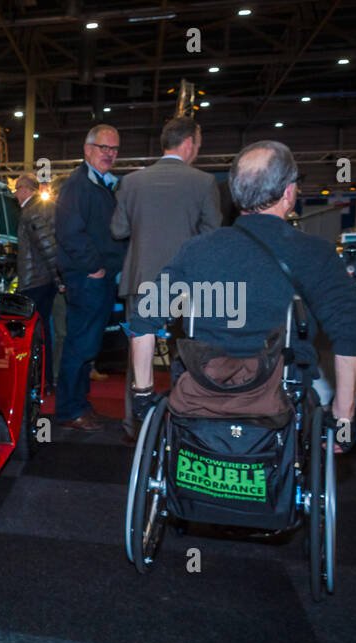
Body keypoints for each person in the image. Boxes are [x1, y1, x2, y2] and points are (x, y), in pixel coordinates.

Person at [129, 141, 356, 446]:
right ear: (288, 193)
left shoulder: (197, 250)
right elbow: (352, 330)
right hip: (278, 396)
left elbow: (144, 320)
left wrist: (143, 395)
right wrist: (342, 422)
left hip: (202, 393)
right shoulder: (314, 253)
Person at [111, 115, 222, 439]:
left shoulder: (131, 182)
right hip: (188, 283)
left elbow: (118, 230)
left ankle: (136, 427)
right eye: (198, 146)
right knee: (187, 353)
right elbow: (213, 233)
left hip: (142, 279)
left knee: (139, 354)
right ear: (188, 144)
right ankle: (182, 422)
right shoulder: (203, 182)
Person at [54, 123, 127, 432]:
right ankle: (69, 410)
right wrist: (94, 267)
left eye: (114, 149)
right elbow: (69, 232)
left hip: (98, 278)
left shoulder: (100, 183)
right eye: (103, 148)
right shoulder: (78, 185)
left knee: (87, 346)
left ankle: (79, 405)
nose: (109, 154)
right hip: (88, 278)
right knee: (80, 345)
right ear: (87, 149)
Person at [14, 173, 62, 359]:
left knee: (34, 333)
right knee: (44, 330)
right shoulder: (46, 208)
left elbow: (48, 248)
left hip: (35, 281)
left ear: (25, 190)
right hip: (46, 280)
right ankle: (46, 379)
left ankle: (40, 379)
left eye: (17, 190)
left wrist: (60, 280)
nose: (16, 195)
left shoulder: (31, 212)